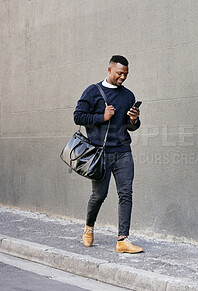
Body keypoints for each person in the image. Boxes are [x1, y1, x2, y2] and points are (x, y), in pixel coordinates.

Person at [73, 55, 143, 253]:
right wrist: (101, 117)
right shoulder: (93, 91)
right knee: (99, 195)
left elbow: (130, 127)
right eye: (120, 73)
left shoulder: (128, 95)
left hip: (122, 151)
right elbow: (77, 116)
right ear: (110, 70)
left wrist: (134, 120)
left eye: (126, 74)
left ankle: (122, 240)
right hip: (100, 154)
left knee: (126, 193)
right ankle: (88, 228)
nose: (123, 77)